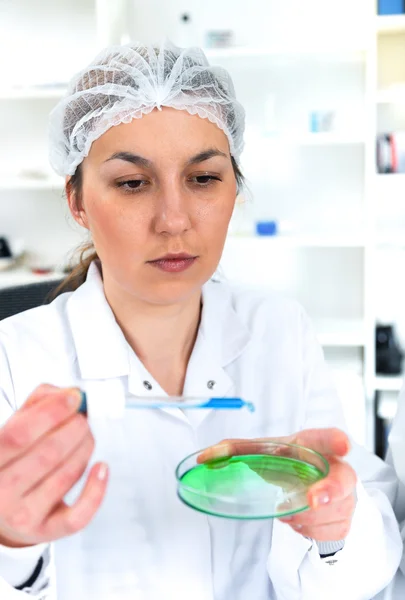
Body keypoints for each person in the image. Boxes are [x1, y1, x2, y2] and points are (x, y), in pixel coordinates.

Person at [0, 41, 401, 600]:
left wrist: (335, 533)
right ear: (77, 201)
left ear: (235, 187)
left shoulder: (279, 331)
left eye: (204, 178)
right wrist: (12, 542)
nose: (173, 220)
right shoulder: (14, 361)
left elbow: (367, 567)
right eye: (132, 183)